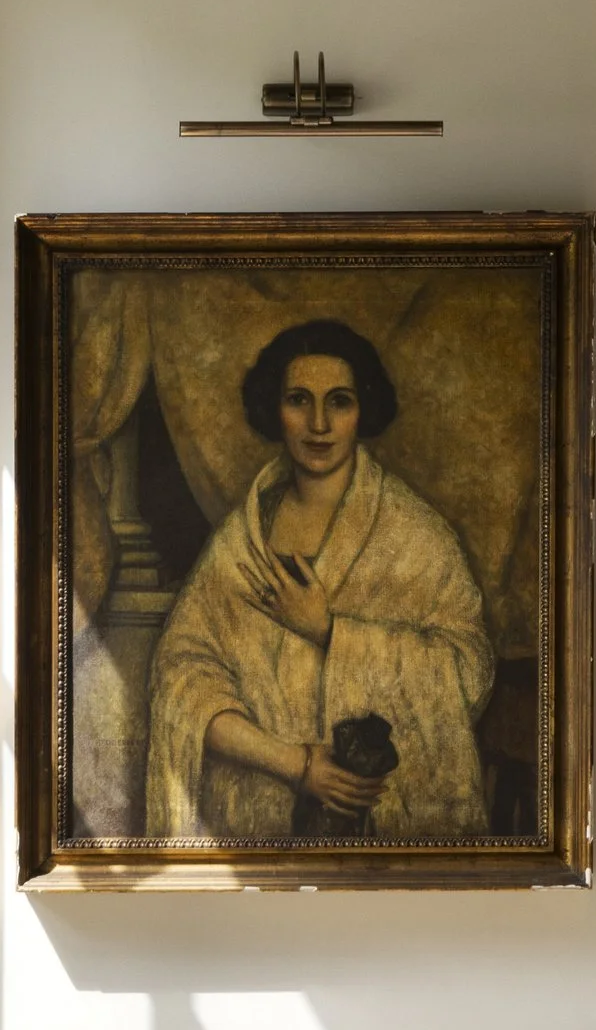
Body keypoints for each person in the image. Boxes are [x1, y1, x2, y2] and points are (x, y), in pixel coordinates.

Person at [144, 318, 494, 840]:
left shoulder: (415, 534)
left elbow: (469, 672)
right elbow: (180, 678)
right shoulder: (242, 539)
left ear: (363, 410)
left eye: (339, 402)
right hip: (252, 827)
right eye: (299, 400)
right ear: (275, 409)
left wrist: (332, 633)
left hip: (373, 828)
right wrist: (296, 764)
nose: (319, 424)